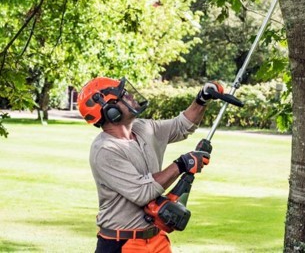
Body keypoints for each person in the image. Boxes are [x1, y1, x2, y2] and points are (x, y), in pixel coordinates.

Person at [77, 76, 222, 253]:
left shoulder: (143, 128)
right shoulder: (105, 150)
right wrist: (182, 164)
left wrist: (202, 98)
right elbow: (143, 192)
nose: (131, 97)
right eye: (123, 95)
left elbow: (182, 125)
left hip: (156, 238)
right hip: (122, 243)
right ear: (110, 111)